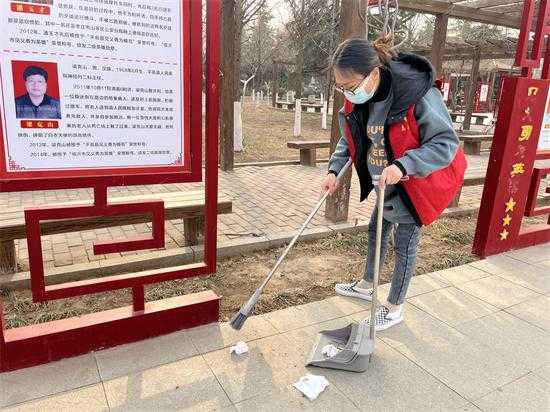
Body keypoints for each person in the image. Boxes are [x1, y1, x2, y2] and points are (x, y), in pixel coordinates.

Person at [321, 36, 466, 331]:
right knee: (377, 230)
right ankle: (366, 284)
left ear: (373, 73)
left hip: (416, 183)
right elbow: (350, 138)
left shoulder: (416, 93)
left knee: (405, 243)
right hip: (385, 182)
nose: (348, 94)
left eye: (350, 87)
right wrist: (334, 170)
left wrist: (403, 165)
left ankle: (394, 306)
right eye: (341, 88)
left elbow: (445, 142)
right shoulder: (359, 98)